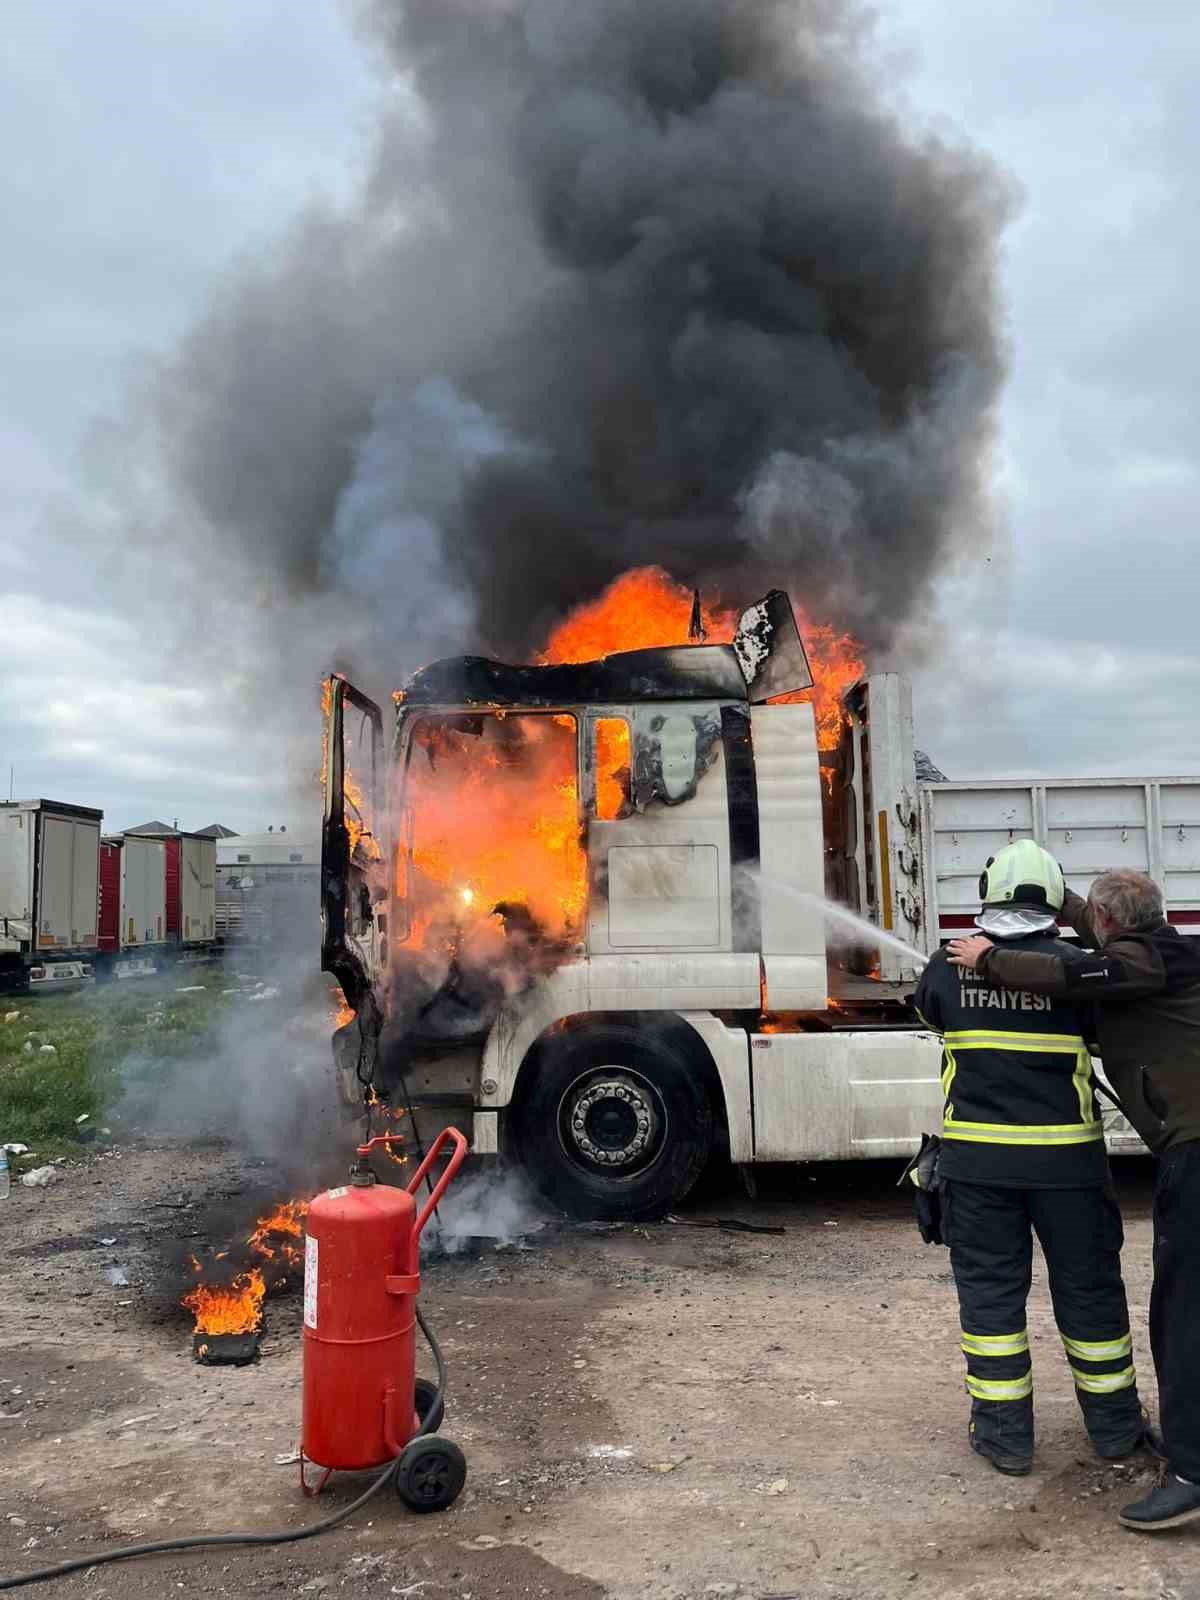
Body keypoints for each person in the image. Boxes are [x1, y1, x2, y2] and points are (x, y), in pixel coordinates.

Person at [949, 867, 1200, 1530]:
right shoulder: (1153, 947)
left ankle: (1190, 1472)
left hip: (1191, 1157)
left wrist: (989, 956)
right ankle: (1125, 1433)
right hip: (1097, 1169)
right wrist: (1048, 889)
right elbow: (1091, 941)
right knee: (1114, 1298)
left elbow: (1075, 974)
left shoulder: (1136, 965)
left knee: (1182, 1318)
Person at [914, 840, 1145, 1476]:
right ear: (1053, 896)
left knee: (990, 1301)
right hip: (1069, 1169)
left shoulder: (945, 967)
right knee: (1092, 1294)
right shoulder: (1079, 970)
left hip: (980, 1169)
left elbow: (931, 1011)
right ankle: (1116, 1431)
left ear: (988, 893)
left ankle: (1005, 1437)